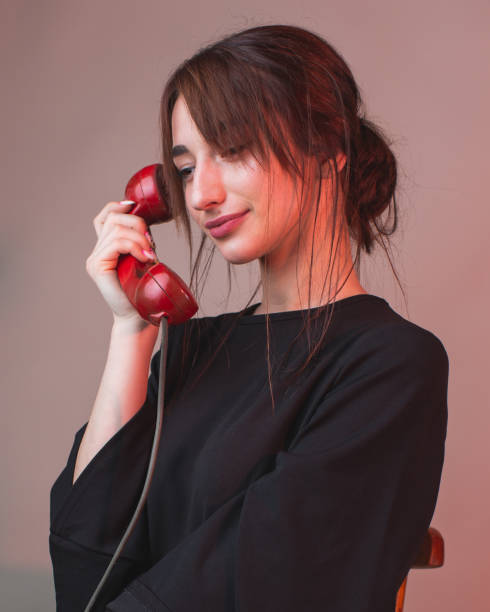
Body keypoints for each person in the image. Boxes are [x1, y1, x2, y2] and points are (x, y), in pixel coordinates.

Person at [49, 24, 449, 611]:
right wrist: (132, 330)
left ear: (328, 151)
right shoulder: (194, 347)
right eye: (185, 168)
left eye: (233, 151)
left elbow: (269, 573)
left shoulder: (390, 364)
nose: (200, 195)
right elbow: (86, 558)